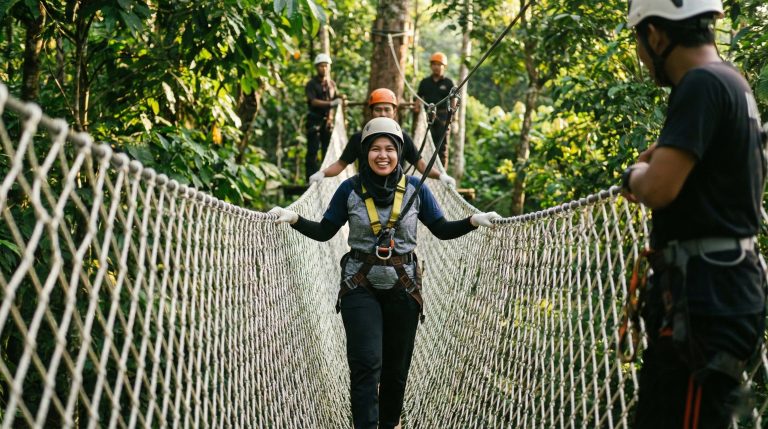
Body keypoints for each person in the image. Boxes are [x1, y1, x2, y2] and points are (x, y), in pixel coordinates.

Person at [269, 117, 500, 429]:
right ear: (364, 152)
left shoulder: (417, 189)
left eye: (389, 149)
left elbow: (441, 229)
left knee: (395, 371)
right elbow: (325, 231)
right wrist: (294, 218)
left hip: (403, 287)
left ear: (399, 153)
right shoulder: (349, 190)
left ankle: (389, 424)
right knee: (366, 364)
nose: (382, 155)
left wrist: (473, 221)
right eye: (375, 148)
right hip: (359, 285)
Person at [621, 0, 766, 427]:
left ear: (655, 35)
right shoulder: (731, 80)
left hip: (705, 300)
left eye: (638, 41)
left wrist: (634, 176)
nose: (641, 55)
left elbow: (658, 188)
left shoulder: (700, 84)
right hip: (717, 291)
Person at [308, 87, 456, 188]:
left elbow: (422, 166)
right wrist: (322, 173)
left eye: (387, 109)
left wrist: (441, 176)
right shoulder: (359, 138)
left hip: (395, 193)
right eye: (378, 110)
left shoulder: (403, 138)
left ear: (394, 112)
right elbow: (341, 164)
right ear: (371, 112)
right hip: (365, 191)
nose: (383, 114)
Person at [305, 53, 343, 181]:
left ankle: (326, 178)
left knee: (327, 150)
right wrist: (331, 103)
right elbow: (313, 101)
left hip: (327, 123)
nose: (324, 68)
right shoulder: (311, 84)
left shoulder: (332, 84)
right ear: (317, 67)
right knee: (313, 150)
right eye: (321, 66)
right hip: (314, 121)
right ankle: (310, 178)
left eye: (326, 66)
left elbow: (336, 97)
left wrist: (341, 100)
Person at [415, 52, 455, 169]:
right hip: (428, 116)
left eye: (439, 64)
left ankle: (442, 172)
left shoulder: (448, 83)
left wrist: (453, 117)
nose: (436, 67)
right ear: (431, 66)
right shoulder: (425, 82)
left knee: (442, 146)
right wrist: (416, 108)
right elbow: (418, 97)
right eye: (434, 64)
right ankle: (427, 169)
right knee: (428, 143)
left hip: (443, 117)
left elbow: (453, 101)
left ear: (444, 67)